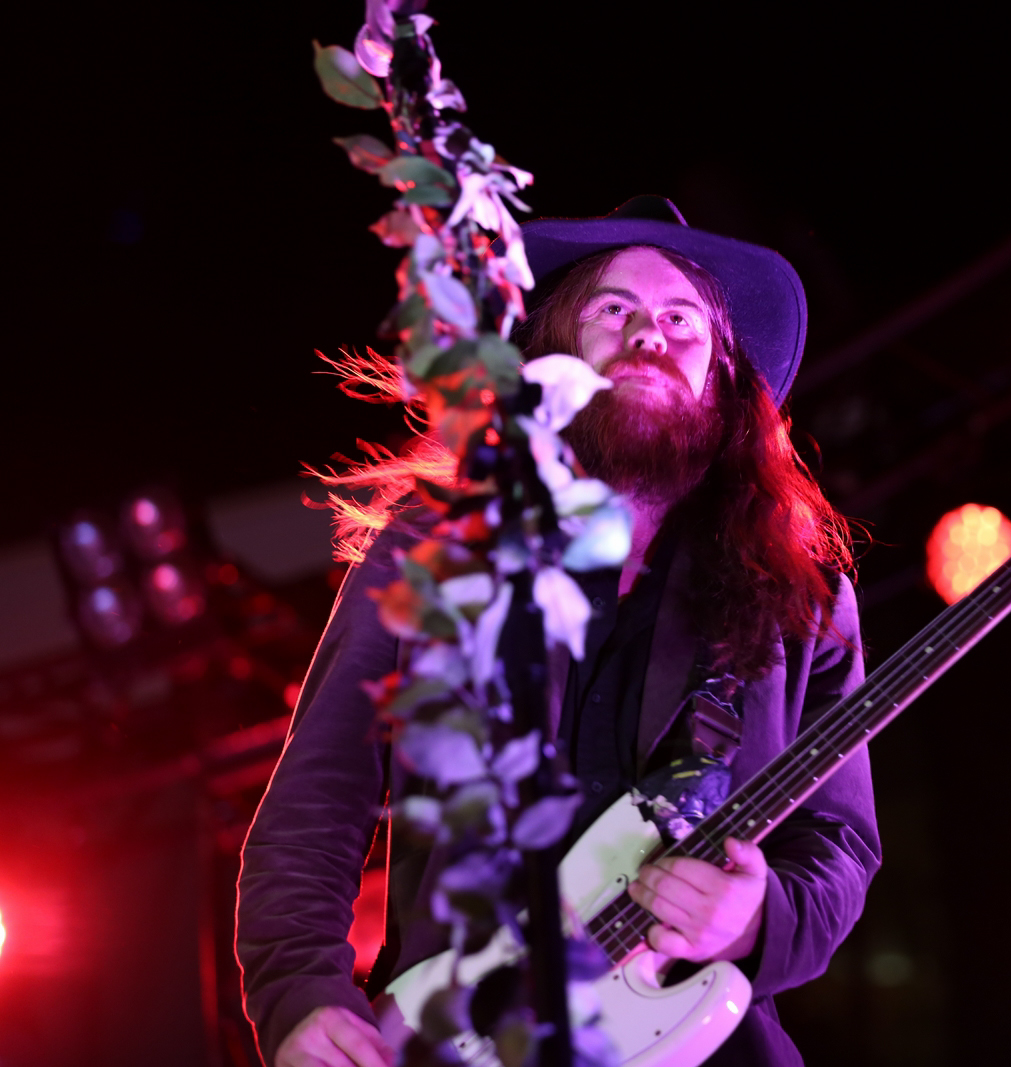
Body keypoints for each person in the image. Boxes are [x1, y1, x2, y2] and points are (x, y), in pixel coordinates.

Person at [236, 196, 881, 1067]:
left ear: (724, 379)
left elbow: (838, 843)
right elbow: (319, 798)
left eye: (683, 320)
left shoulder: (800, 597)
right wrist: (298, 990)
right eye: (612, 309)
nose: (648, 334)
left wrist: (761, 919)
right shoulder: (431, 552)